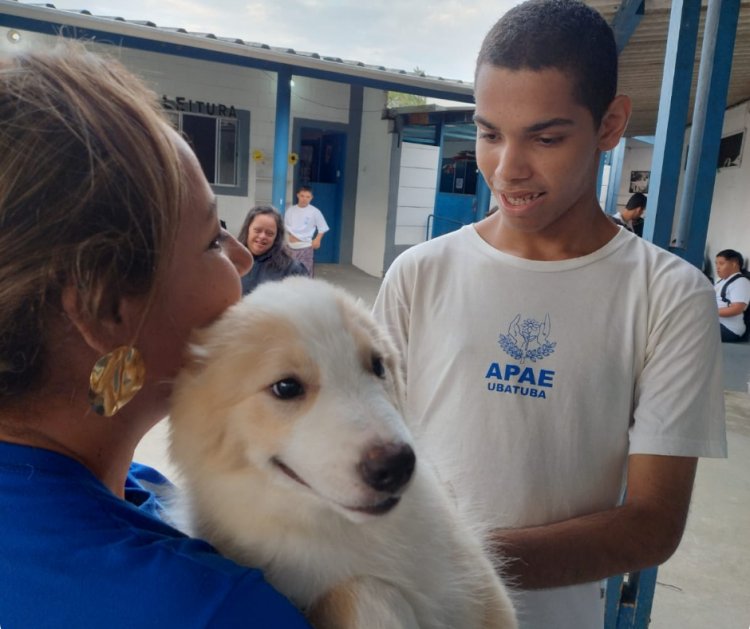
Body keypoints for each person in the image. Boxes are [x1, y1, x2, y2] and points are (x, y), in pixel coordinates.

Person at [372, 2, 726, 628]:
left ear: (611, 124)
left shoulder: (669, 294)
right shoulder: (419, 275)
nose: (508, 169)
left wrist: (448, 559)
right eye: (489, 132)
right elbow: (364, 450)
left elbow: (651, 526)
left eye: (546, 137)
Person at [0, 45, 312, 628]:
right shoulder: (211, 608)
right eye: (213, 238)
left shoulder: (142, 490)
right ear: (108, 308)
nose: (243, 258)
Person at [238, 205, 309, 294]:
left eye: (269, 233)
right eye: (257, 230)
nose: (262, 236)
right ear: (247, 229)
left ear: (276, 237)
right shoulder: (230, 263)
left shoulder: (292, 269)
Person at [284, 186, 330, 276]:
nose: (304, 199)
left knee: (305, 273)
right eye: (302, 196)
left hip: (306, 247)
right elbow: (286, 227)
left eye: (307, 197)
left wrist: (317, 239)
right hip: (290, 247)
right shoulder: (290, 210)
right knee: (289, 273)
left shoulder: (315, 212)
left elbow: (322, 227)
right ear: (298, 195)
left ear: (311, 198)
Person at [714, 248, 750, 342]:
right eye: (716, 264)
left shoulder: (740, 282)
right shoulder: (719, 281)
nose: (717, 267)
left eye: (721, 264)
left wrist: (709, 312)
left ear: (734, 264)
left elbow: (737, 309)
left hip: (729, 329)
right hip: (715, 322)